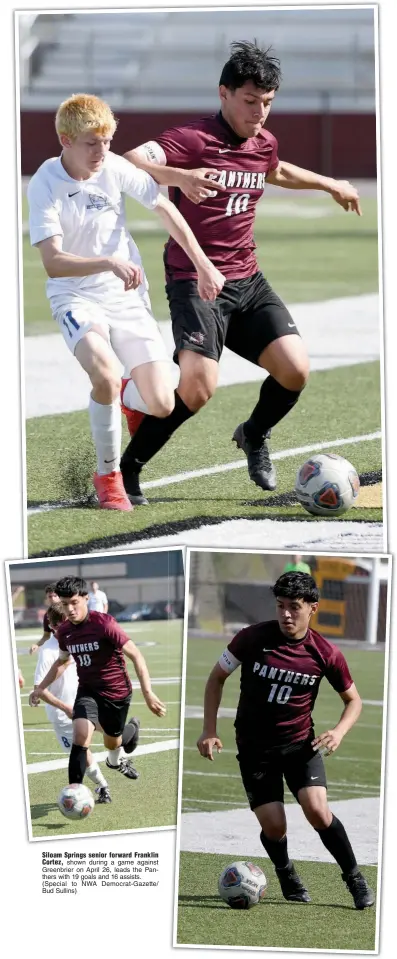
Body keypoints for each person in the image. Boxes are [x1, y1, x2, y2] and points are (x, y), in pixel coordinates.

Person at [119, 40, 361, 503]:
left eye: (267, 103)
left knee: (295, 370)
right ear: (224, 93)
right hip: (195, 280)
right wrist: (181, 178)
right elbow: (129, 162)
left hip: (247, 280)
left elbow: (276, 170)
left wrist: (330, 183)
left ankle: (253, 434)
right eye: (250, 101)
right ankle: (128, 468)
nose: (259, 113)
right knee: (198, 387)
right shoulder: (190, 139)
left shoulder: (262, 141)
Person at [27, 93, 226, 511]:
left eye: (107, 142)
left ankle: (123, 392)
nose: (102, 152)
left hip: (126, 296)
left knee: (162, 403)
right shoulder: (44, 183)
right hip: (75, 294)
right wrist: (108, 262)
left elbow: (165, 210)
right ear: (65, 140)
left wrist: (204, 265)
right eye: (91, 144)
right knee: (103, 370)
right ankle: (108, 475)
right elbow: (53, 263)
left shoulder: (114, 167)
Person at [196, 571, 374, 910]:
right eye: (280, 606)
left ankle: (354, 878)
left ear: (313, 608)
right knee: (275, 826)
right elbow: (216, 678)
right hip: (254, 750)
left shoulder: (326, 653)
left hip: (299, 746)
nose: (286, 614)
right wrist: (209, 729)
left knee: (318, 812)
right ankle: (285, 870)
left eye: (294, 607)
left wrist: (338, 731)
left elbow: (354, 701)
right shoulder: (250, 638)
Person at [31, 576, 165, 788]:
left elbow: (136, 655)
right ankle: (74, 790)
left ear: (85, 598)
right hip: (87, 691)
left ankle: (116, 757)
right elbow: (62, 662)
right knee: (80, 737)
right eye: (65, 605)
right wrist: (40, 688)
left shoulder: (105, 624)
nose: (70, 610)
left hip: (116, 693)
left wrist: (148, 693)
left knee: (113, 741)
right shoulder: (65, 631)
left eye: (74, 603)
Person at [29, 603, 112, 803]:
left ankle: (110, 772)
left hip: (86, 702)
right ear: (55, 625)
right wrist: (66, 708)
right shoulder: (48, 652)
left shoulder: (77, 640)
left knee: (106, 734)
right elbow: (40, 690)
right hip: (64, 714)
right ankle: (104, 783)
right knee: (88, 747)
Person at [29, 583, 60, 654]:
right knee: (44, 652)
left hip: (72, 643)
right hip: (58, 643)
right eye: (50, 596)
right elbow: (46, 635)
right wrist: (37, 645)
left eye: (55, 596)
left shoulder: (69, 612)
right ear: (47, 598)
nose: (53, 598)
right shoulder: (47, 616)